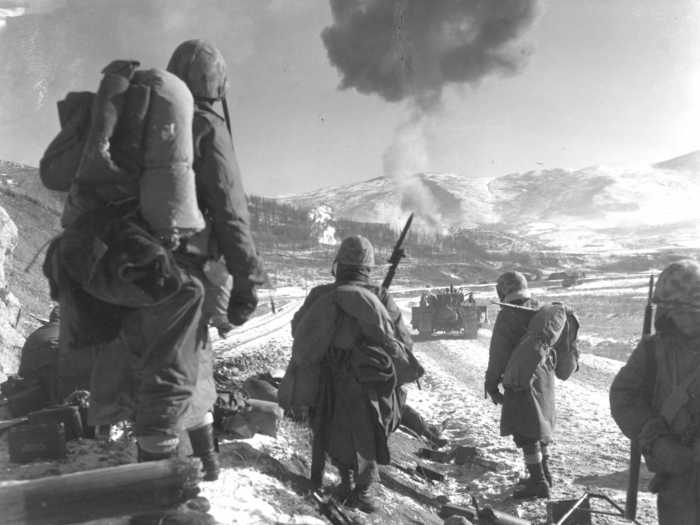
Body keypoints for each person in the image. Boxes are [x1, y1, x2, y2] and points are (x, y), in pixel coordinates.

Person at [283, 235, 423, 513]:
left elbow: (299, 329)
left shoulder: (320, 295)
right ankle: (364, 489)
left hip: (327, 377)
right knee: (367, 431)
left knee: (329, 426)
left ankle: (345, 481)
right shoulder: (379, 296)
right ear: (368, 267)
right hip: (368, 380)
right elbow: (403, 341)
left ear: (339, 264)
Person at [610, 260, 700, 524]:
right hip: (679, 481)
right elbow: (624, 398)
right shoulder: (652, 351)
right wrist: (657, 442)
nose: (680, 317)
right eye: (673, 310)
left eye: (688, 310)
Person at [484, 271, 554, 499]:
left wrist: (491, 383)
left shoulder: (508, 315)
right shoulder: (540, 309)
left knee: (525, 432)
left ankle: (538, 481)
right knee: (540, 426)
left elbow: (498, 354)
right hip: (543, 377)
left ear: (503, 290)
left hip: (519, 380)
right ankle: (545, 472)